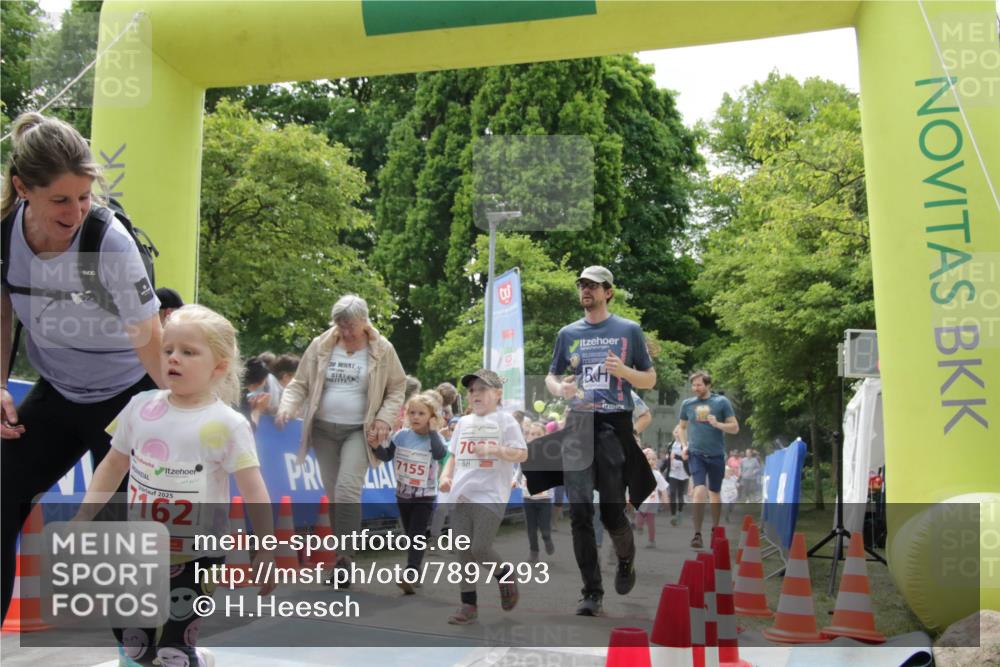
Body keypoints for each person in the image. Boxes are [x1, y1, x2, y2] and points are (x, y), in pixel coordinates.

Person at [1, 112, 165, 623]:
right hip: (59, 393)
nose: (74, 212)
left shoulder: (110, 242)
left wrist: (183, 414)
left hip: (125, 397)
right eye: (60, 200)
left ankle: (140, 653)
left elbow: (150, 341)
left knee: (117, 537)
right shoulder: (3, 235)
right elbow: (2, 313)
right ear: (22, 188)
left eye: (84, 196)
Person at [74, 304, 276, 667]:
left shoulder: (227, 424)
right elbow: (112, 465)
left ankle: (184, 655)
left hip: (199, 554)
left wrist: (264, 549)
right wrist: (85, 514)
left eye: (188, 351)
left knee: (173, 649)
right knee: (134, 642)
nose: (174, 359)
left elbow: (253, 489)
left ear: (219, 366)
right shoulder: (139, 407)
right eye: (168, 350)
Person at [524, 265, 656, 617]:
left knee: (612, 511)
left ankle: (626, 558)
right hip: (580, 423)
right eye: (582, 284)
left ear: (608, 292)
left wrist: (624, 372)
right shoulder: (568, 333)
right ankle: (591, 592)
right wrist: (560, 387)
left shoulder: (628, 329)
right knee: (580, 511)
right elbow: (552, 376)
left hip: (615, 425)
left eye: (593, 286)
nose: (586, 290)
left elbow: (649, 379)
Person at [275, 294, 406, 576]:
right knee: (335, 494)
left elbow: (397, 388)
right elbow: (299, 384)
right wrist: (287, 406)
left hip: (359, 431)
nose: (346, 332)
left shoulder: (382, 349)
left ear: (365, 322)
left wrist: (384, 417)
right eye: (341, 326)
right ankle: (338, 552)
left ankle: (345, 556)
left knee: (348, 489)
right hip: (323, 430)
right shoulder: (320, 345)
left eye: (351, 326)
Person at [438, 369, 527, 625]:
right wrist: (446, 477)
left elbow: (522, 454)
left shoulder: (506, 421)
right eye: (472, 390)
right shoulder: (463, 423)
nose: (475, 394)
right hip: (462, 494)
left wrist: (495, 449)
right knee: (463, 551)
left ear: (497, 394)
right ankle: (468, 604)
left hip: (490, 494)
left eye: (482, 389)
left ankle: (504, 574)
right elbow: (452, 456)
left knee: (480, 547)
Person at [371, 391, 447, 594]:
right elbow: (387, 456)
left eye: (421, 413)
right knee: (410, 533)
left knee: (417, 534)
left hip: (425, 495)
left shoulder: (435, 438)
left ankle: (411, 571)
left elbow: (440, 454)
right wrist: (375, 446)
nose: (415, 417)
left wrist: (432, 432)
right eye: (412, 412)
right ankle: (416, 571)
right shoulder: (402, 435)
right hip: (403, 494)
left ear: (431, 417)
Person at [677, 370, 740, 549]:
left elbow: (735, 428)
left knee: (714, 493)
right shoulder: (687, 404)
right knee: (699, 490)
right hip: (696, 454)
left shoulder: (721, 402)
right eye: (693, 385)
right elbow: (681, 428)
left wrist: (718, 424)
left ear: (708, 385)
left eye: (699, 385)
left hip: (716, 455)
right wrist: (684, 445)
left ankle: (715, 529)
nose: (695, 388)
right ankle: (697, 534)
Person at [518, 421, 555, 563]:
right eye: (532, 434)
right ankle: (534, 552)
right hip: (527, 497)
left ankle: (547, 539)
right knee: (531, 528)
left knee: (545, 528)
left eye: (539, 434)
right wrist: (515, 480)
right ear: (527, 436)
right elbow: (519, 471)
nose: (535, 436)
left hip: (545, 498)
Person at [633, 448, 668, 549]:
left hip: (653, 503)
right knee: (639, 518)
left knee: (651, 522)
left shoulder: (657, 475)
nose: (651, 461)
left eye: (654, 459)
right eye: (648, 459)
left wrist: (665, 499)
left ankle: (651, 540)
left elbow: (663, 488)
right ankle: (639, 527)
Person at [667, 425, 690, 526]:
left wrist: (676, 456)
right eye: (675, 430)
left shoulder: (686, 445)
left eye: (679, 431)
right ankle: (673, 515)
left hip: (683, 473)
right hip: (673, 473)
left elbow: (686, 458)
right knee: (672, 493)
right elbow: (668, 459)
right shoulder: (671, 444)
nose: (677, 432)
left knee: (680, 494)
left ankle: (680, 512)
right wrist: (662, 468)